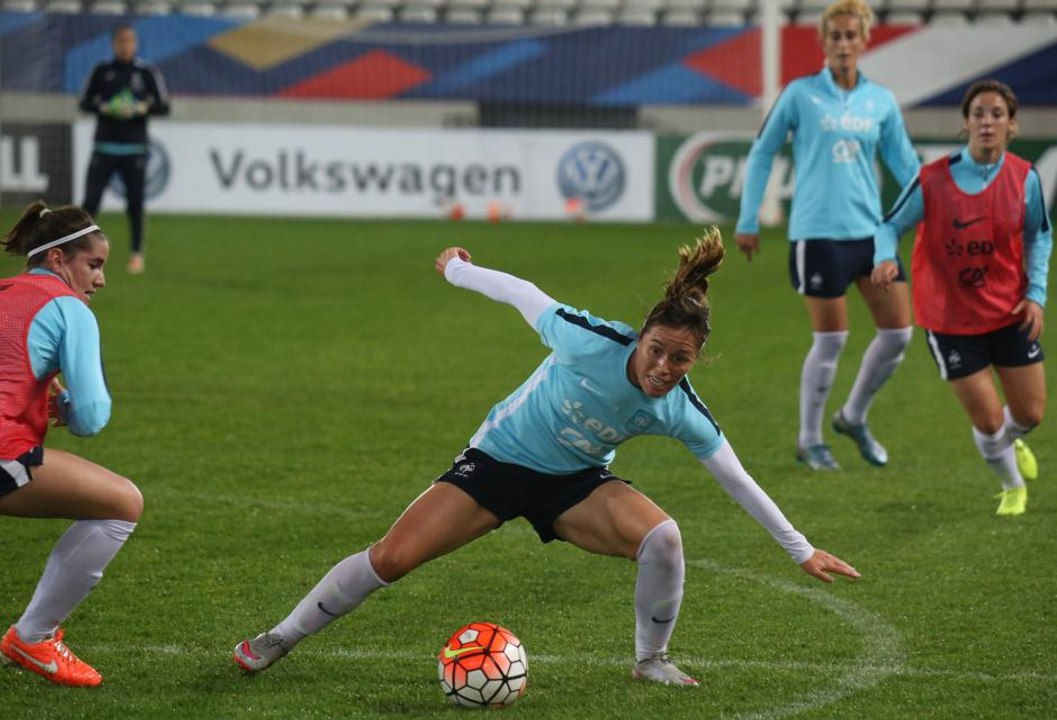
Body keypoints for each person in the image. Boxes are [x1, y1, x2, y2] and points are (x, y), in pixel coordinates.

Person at [232, 228, 859, 686]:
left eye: (681, 359)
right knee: (392, 557)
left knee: (664, 539)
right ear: (640, 336)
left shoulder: (679, 408)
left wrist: (800, 550)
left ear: (697, 360)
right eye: (658, 351)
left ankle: (650, 661)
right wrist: (457, 270)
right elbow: (522, 293)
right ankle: (280, 638)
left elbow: (736, 477)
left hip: (575, 485)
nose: (664, 369)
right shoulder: (587, 341)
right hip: (498, 463)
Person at [734, 0, 920, 471]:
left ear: (864, 40)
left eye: (849, 36)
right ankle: (809, 438)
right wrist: (749, 217)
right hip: (817, 235)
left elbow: (906, 165)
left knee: (899, 333)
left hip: (872, 233)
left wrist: (929, 209)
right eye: (834, 36)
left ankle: (853, 416)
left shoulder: (880, 101)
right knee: (833, 339)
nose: (842, 44)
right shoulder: (800, 94)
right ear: (823, 42)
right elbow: (762, 153)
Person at [872, 80, 1052, 516]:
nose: (986, 122)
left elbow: (1038, 238)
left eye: (996, 114)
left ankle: (1012, 442)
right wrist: (885, 258)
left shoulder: (1025, 178)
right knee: (989, 421)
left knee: (1030, 414)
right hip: (950, 320)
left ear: (1011, 125)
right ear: (966, 123)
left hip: (1010, 311)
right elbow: (889, 226)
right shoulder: (934, 179)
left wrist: (1036, 295)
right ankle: (1011, 485)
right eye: (978, 114)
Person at [0, 202, 142, 687]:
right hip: (3, 453)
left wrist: (43, 391)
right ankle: (33, 636)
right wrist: (67, 406)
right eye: (94, 265)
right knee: (122, 503)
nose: (100, 280)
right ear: (59, 260)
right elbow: (91, 419)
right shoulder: (68, 308)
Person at [79, 24, 170, 275]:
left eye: (129, 41)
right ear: (113, 44)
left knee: (135, 205)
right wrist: (105, 108)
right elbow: (85, 103)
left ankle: (136, 254)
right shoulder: (102, 71)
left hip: (134, 149)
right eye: (121, 41)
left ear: (136, 44)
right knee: (90, 203)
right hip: (104, 147)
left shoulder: (146, 72)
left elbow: (164, 106)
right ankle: (79, 252)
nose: (125, 46)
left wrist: (143, 108)